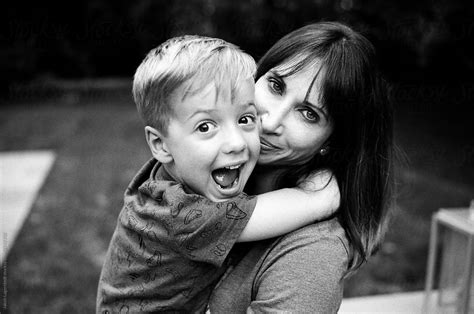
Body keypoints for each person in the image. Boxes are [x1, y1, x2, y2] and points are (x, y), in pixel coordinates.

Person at [97, 35, 340, 313]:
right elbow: (280, 210)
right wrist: (324, 197)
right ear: (161, 145)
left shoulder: (166, 177)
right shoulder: (182, 216)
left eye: (245, 119)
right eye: (205, 127)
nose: (236, 142)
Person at [208, 21, 394, 313]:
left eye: (308, 113)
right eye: (275, 85)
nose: (269, 122)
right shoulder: (200, 170)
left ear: (332, 141)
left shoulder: (313, 252)